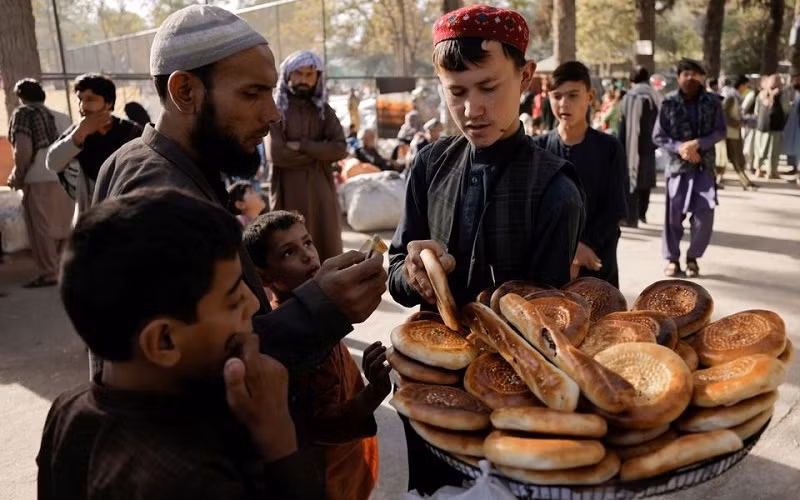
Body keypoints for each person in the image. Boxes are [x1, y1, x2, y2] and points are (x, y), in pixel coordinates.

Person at [93, 6, 386, 381]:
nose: (273, 115)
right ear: (185, 91)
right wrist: (322, 306)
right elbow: (202, 369)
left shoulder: (140, 160)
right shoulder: (162, 202)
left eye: (271, 92)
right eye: (253, 93)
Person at [388, 5, 584, 494]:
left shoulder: (555, 189)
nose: (472, 108)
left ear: (526, 77)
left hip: (512, 406)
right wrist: (414, 273)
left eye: (488, 87)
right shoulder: (429, 166)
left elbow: (551, 332)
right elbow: (395, 273)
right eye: (457, 91)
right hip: (431, 391)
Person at [38, 188, 316, 499]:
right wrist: (278, 435)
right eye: (234, 299)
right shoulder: (190, 480)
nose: (253, 304)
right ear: (164, 341)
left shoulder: (69, 408)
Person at [243, 210, 390, 500]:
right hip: (326, 470)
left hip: (347, 459)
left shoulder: (325, 313)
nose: (308, 256)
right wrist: (372, 394)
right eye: (289, 252)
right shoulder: (287, 337)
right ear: (264, 276)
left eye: (308, 243)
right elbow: (321, 425)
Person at [535, 62, 627, 287]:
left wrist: (585, 245)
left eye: (573, 95)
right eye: (557, 96)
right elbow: (533, 211)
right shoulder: (538, 149)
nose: (564, 104)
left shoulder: (609, 147)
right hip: (550, 261)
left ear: (590, 96)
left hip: (596, 258)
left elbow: (614, 206)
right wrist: (566, 250)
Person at [266, 50, 347, 262]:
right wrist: (320, 153)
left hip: (322, 195)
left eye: (309, 75)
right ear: (287, 75)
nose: (304, 79)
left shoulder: (324, 112)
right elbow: (277, 154)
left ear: (317, 78)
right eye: (298, 73)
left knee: (326, 249)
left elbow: (340, 149)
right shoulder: (275, 111)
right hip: (288, 193)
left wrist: (302, 145)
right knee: (288, 252)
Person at [653, 58, 725, 278]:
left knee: (704, 217)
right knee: (673, 217)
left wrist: (698, 144)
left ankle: (693, 258)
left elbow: (720, 131)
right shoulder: (668, 102)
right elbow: (658, 135)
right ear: (678, 78)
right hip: (677, 168)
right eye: (686, 74)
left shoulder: (713, 102)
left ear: (702, 77)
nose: (690, 78)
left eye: (695, 74)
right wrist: (680, 147)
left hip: (704, 168)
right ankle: (673, 259)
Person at [6, 79, 74, 288]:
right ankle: (65, 267)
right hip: (65, 176)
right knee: (64, 225)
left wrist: (17, 176)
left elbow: (23, 151)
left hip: (38, 177)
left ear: (22, 96)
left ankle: (49, 273)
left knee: (42, 229)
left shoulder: (23, 114)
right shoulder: (61, 117)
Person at [46, 73, 143, 215]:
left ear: (108, 103)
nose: (82, 106)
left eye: (90, 99)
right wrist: (80, 133)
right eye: (80, 100)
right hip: (92, 214)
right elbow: (53, 162)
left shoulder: (131, 132)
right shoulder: (77, 133)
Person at [618, 66, 662, 226]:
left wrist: (620, 146)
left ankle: (631, 218)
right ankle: (643, 213)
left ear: (632, 80)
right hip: (649, 147)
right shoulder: (655, 96)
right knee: (646, 183)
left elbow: (624, 127)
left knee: (631, 181)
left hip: (631, 147)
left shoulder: (630, 97)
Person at [720, 75, 758, 190]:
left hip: (733, 132)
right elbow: (724, 115)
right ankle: (745, 182)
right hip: (730, 132)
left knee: (734, 158)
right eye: (746, 86)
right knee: (737, 158)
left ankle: (744, 181)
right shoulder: (731, 97)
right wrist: (737, 123)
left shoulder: (735, 96)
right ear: (741, 85)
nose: (746, 88)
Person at [753, 74, 789, 179]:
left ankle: (758, 169)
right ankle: (772, 171)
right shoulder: (782, 95)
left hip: (762, 126)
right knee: (773, 151)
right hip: (775, 127)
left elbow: (756, 111)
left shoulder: (761, 94)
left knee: (760, 149)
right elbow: (786, 109)